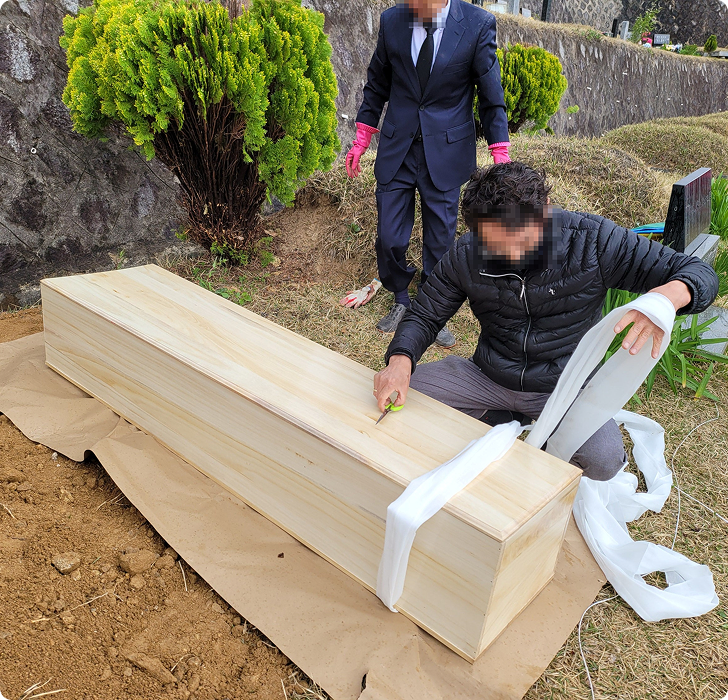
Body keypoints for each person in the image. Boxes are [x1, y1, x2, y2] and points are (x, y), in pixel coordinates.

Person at [372, 162, 719, 481]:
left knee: (604, 460)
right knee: (402, 397)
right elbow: (426, 313)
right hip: (488, 374)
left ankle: (519, 422)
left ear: (546, 209)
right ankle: (503, 415)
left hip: (563, 385)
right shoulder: (467, 252)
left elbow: (697, 272)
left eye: (522, 238)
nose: (512, 254)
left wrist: (663, 301)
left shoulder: (593, 241)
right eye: (496, 243)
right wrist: (400, 360)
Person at [344, 0, 511, 347]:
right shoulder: (393, 20)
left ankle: (431, 310)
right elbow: (377, 83)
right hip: (398, 147)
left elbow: (490, 93)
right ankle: (401, 299)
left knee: (440, 240)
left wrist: (500, 154)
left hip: (447, 151)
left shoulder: (477, 24)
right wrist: (361, 139)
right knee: (389, 236)